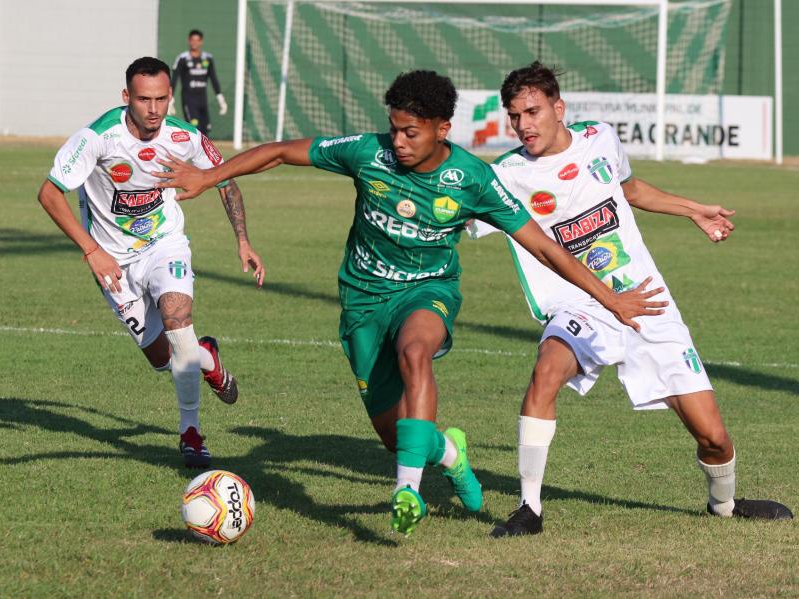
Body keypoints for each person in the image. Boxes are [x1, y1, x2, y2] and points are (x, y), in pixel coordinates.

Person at [154, 70, 665, 535]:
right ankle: (450, 455)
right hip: (362, 300)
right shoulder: (367, 153)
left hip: (429, 290)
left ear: (442, 128)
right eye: (394, 129)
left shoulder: (473, 179)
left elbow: (546, 246)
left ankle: (408, 491)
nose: (397, 141)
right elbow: (283, 151)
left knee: (415, 353)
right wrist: (207, 177)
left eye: (410, 132)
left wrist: (611, 300)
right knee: (398, 439)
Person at [468, 61, 793, 537]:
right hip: (581, 306)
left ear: (559, 109)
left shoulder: (600, 137)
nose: (524, 125)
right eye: (515, 116)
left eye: (533, 112)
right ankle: (529, 509)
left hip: (647, 303)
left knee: (714, 438)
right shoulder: (508, 174)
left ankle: (723, 505)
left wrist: (694, 211)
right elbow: (458, 212)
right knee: (545, 371)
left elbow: (630, 188)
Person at [38, 57, 264, 469]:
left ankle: (191, 432)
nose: (154, 109)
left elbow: (225, 178)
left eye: (162, 98)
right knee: (164, 358)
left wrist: (243, 240)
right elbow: (50, 194)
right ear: (127, 97)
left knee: (179, 319)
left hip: (165, 245)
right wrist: (92, 250)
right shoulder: (98, 137)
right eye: (144, 99)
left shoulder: (184, 136)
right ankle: (206, 356)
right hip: (113, 262)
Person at [169, 29, 227, 136]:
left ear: (201, 42)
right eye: (192, 40)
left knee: (206, 129)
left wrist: (220, 99)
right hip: (189, 99)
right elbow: (174, 79)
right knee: (194, 128)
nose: (195, 43)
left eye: (197, 40)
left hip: (202, 99)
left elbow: (213, 79)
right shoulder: (182, 58)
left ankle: (203, 153)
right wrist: (170, 99)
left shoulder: (208, 58)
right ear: (189, 41)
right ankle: (191, 152)